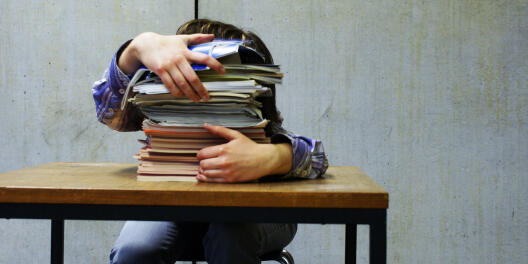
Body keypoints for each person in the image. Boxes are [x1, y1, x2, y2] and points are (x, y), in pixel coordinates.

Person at [92, 19, 328, 264]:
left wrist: (274, 156)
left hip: (253, 212)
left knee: (231, 235)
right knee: (137, 248)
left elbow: (317, 157)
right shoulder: (163, 107)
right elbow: (109, 113)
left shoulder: (257, 124)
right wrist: (135, 50)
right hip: (174, 205)